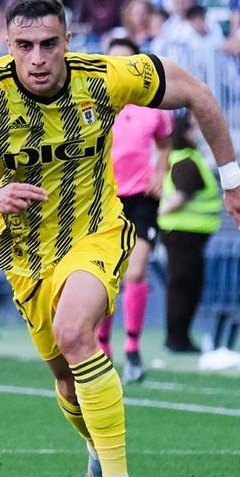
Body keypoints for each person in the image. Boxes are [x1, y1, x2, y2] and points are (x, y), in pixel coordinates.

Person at [0, 0, 240, 477]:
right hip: (26, 254)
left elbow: (196, 92)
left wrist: (233, 178)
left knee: (77, 330)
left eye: (49, 44)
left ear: (67, 42)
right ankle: (96, 447)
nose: (38, 58)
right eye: (25, 46)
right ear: (7, 46)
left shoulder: (104, 76)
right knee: (64, 379)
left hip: (95, 232)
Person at [94, 38, 174, 383]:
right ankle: (102, 348)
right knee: (106, 276)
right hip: (102, 198)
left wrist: (160, 172)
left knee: (135, 271)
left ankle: (132, 348)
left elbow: (165, 142)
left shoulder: (152, 106)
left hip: (141, 199)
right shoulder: (93, 103)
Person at [158, 114, 222, 353]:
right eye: (196, 127)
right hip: (183, 234)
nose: (200, 131)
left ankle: (179, 336)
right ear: (185, 132)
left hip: (187, 235)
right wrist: (163, 209)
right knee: (183, 286)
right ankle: (177, 338)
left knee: (185, 285)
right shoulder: (186, 161)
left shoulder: (187, 159)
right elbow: (181, 195)